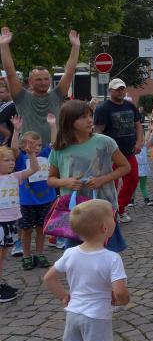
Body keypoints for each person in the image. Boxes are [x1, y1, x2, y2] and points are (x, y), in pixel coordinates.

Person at [43, 199, 130, 341]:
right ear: (104, 228)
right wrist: (124, 300)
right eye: (112, 218)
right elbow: (119, 291)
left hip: (73, 313)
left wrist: (63, 296)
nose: (115, 221)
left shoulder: (70, 253)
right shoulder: (112, 258)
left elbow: (49, 278)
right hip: (97, 316)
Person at [47, 100, 131, 253]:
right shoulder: (59, 148)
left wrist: (102, 179)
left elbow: (125, 167)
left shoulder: (105, 142)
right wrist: (65, 182)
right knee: (76, 256)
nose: (89, 120)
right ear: (69, 121)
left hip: (103, 208)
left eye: (90, 115)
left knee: (107, 255)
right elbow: (51, 179)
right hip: (75, 213)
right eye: (83, 117)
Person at [0, 26, 80, 147]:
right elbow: (10, 73)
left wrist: (75, 47)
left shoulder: (56, 95)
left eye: (46, 79)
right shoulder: (21, 97)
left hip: (55, 149)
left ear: (50, 80)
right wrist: (4, 45)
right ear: (30, 82)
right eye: (38, 79)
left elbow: (69, 72)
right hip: (28, 149)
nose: (43, 82)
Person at [93, 78, 144, 223]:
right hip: (110, 155)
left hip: (129, 152)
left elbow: (138, 126)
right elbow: (98, 132)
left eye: (122, 88)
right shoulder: (103, 108)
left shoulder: (130, 106)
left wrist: (139, 142)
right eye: (117, 89)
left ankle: (120, 208)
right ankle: (110, 212)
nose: (120, 91)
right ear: (110, 91)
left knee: (133, 180)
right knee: (111, 184)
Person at [11, 114, 57, 271]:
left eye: (39, 145)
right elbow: (13, 149)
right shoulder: (21, 158)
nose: (36, 148)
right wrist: (16, 130)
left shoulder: (46, 154)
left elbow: (55, 143)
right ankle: (26, 255)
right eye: (32, 144)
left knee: (41, 229)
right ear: (24, 145)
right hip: (27, 201)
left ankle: (39, 253)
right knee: (26, 230)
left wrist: (52, 125)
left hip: (46, 199)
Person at [0, 145, 41, 301]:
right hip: (0, 223)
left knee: (3, 255)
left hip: (11, 222)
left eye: (12, 160)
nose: (11, 163)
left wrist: (31, 154)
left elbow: (35, 168)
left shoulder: (15, 177)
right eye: (6, 160)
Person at [0, 80, 17, 146]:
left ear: (9, 92)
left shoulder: (10, 104)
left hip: (14, 141)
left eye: (1, 92)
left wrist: (6, 133)